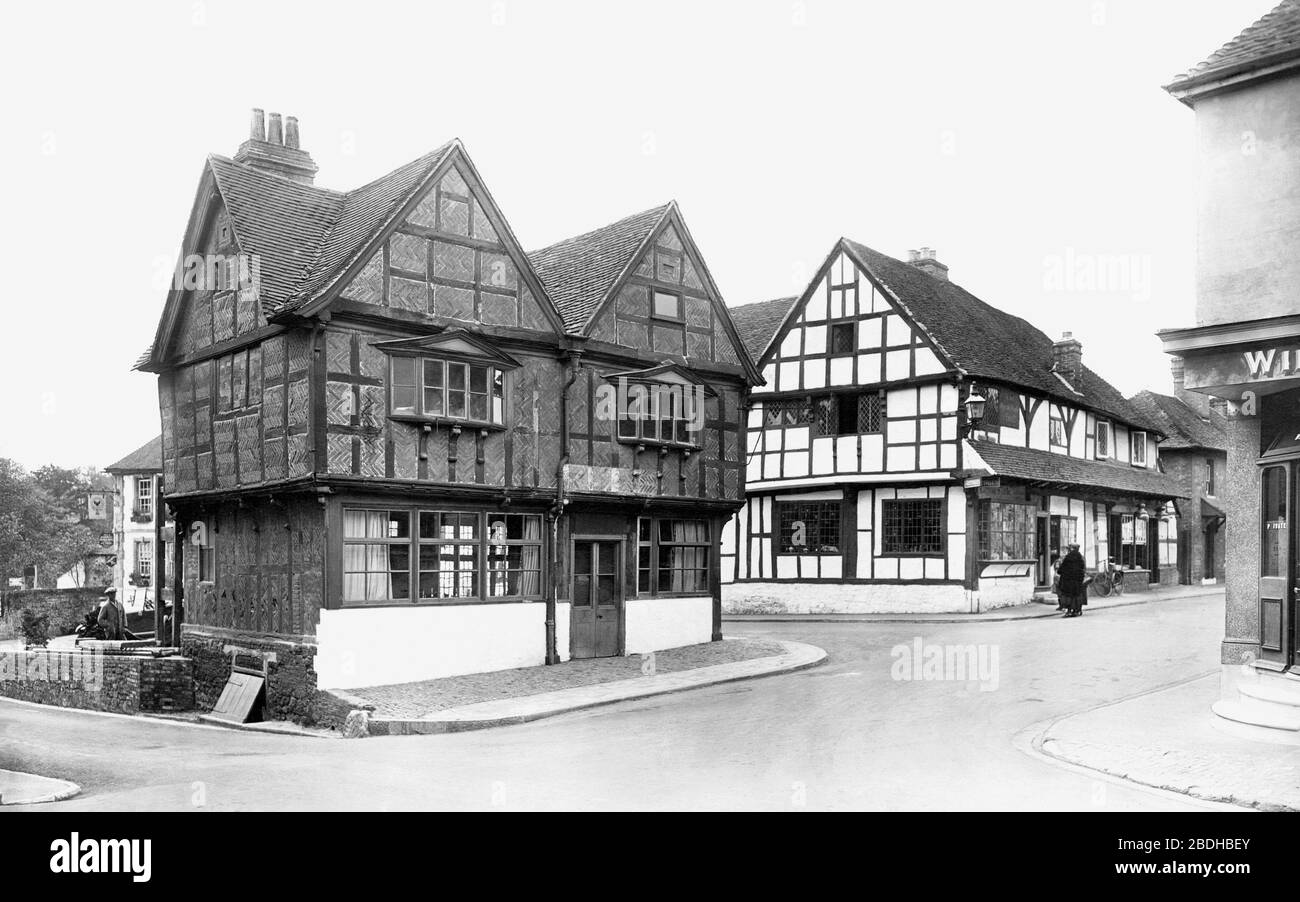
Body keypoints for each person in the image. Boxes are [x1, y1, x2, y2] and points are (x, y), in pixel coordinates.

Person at [1057, 543, 1088, 618]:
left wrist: (1060, 572)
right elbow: (1083, 569)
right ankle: (1076, 610)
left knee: (1068, 596)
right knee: (1076, 596)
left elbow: (1061, 569)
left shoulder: (1068, 557)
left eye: (1069, 548)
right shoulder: (1081, 557)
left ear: (1072, 549)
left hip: (1068, 581)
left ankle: (1069, 611)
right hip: (1077, 581)